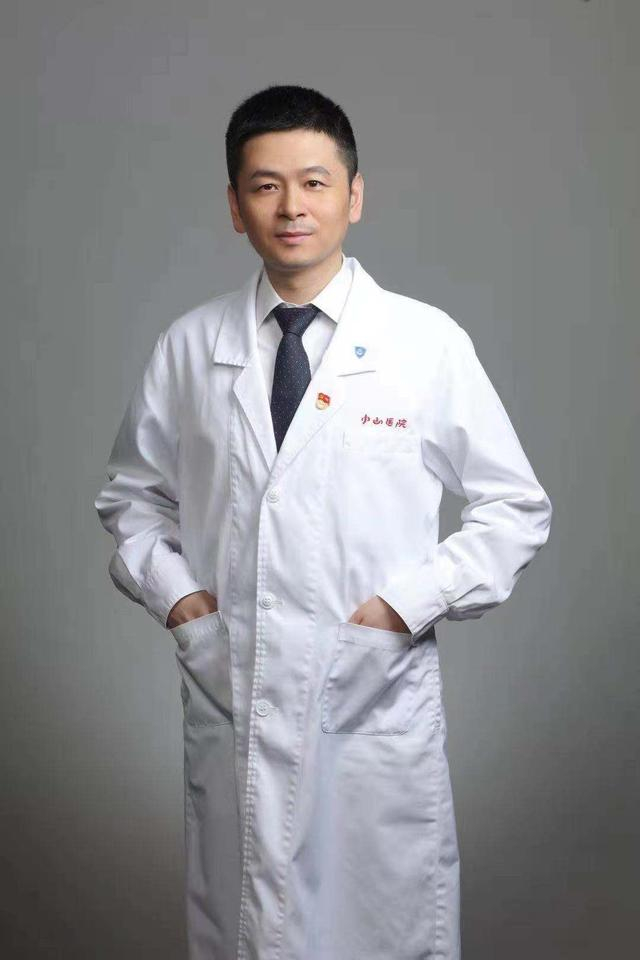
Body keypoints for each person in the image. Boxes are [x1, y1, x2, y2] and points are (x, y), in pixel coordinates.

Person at [94, 84, 552, 960]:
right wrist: (183, 603)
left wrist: (404, 605)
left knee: (380, 925)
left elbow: (515, 506)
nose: (292, 207)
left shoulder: (425, 343)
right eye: (265, 186)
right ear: (236, 207)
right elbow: (131, 497)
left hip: (371, 695)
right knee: (245, 925)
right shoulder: (191, 346)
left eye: (314, 182)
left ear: (355, 195)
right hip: (235, 688)